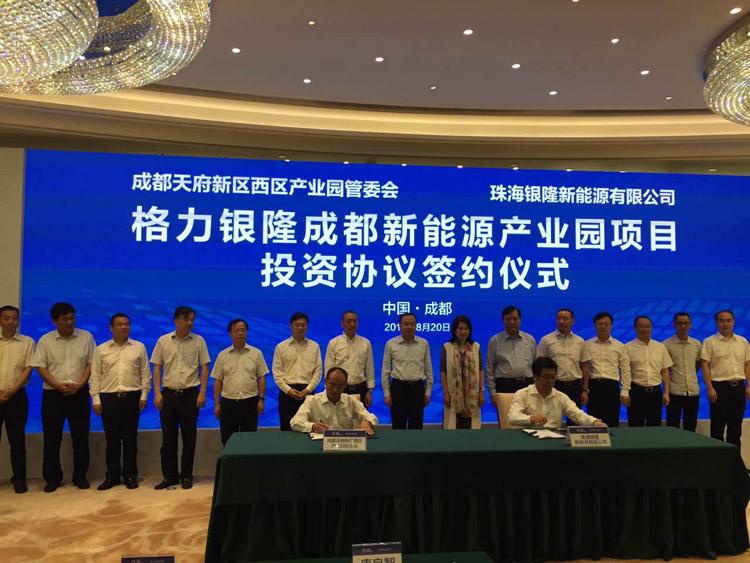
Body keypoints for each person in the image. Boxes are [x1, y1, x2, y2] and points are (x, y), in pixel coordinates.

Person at [32, 302, 95, 492]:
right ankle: (52, 478)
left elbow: (91, 363)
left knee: (81, 437)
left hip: (79, 393)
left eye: (72, 318)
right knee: (52, 438)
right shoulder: (45, 340)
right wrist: (58, 385)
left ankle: (80, 476)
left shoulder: (86, 337)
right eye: (65, 319)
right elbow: (40, 367)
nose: (69, 322)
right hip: (53, 395)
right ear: (55, 321)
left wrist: (81, 383)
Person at [150, 306, 210, 490]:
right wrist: (157, 392)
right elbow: (157, 367)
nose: (190, 323)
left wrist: (202, 392)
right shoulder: (163, 341)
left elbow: (205, 367)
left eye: (192, 319)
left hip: (190, 395)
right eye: (186, 319)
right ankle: (170, 477)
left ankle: (186, 476)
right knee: (168, 439)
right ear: (176, 321)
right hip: (168, 395)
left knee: (189, 439)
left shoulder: (199, 341)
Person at [90, 313, 151, 490]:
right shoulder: (101, 349)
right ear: (111, 327)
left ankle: (130, 476)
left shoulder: (139, 347)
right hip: (108, 398)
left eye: (126, 324)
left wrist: (144, 395)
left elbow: (145, 373)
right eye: (119, 324)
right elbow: (95, 376)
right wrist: (95, 399)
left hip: (132, 398)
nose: (124, 327)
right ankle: (112, 476)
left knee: (131, 440)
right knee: (112, 440)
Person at [212, 318, 268, 444]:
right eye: (236, 331)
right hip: (228, 404)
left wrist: (261, 399)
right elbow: (218, 381)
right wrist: (216, 404)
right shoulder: (222, 355)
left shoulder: (256, 353)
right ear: (230, 333)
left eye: (243, 330)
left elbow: (262, 377)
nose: (240, 333)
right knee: (227, 440)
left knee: (249, 441)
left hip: (250, 403)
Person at [509, 356, 606, 428]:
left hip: (554, 439)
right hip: (529, 439)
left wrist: (594, 422)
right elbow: (512, 417)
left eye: (553, 377)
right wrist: (530, 419)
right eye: (546, 377)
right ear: (535, 377)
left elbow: (578, 415)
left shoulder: (561, 397)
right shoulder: (522, 394)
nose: (550, 381)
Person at [700, 310, 750, 449]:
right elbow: (705, 365)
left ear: (733, 322)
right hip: (719, 388)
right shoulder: (709, 342)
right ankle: (718, 460)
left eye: (728, 320)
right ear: (716, 323)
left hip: (738, 388)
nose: (725, 324)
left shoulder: (742, 341)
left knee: (736, 428)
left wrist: (748, 386)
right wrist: (709, 388)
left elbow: (747, 364)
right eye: (721, 321)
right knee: (717, 427)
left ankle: (734, 460)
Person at [0, 305, 35, 493]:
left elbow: (28, 369)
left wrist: (11, 391)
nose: (11, 322)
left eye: (14, 318)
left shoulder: (27, 342)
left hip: (17, 397)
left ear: (19, 320)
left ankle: (19, 479)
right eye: (6, 318)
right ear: (0, 320)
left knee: (17, 441)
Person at [382, 312, 433, 429]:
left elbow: (428, 370)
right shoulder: (391, 343)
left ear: (416, 325)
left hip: (417, 389)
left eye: (412, 324)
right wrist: (386, 394)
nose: (409, 327)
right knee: (398, 425)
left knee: (416, 426)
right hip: (398, 388)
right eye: (406, 324)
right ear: (400, 325)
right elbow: (385, 371)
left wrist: (428, 392)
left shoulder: (423, 343)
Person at [273, 312, 322, 431]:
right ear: (291, 326)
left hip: (308, 392)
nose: (300, 328)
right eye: (297, 325)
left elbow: (318, 371)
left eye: (303, 325)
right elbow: (277, 373)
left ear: (307, 326)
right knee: (286, 428)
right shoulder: (281, 347)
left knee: (309, 428)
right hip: (287, 393)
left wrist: (308, 390)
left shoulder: (314, 346)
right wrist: (288, 390)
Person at [291, 367, 378, 434]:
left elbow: (372, 417)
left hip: (346, 445)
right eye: (331, 385)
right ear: (325, 382)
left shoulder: (351, 401)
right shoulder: (312, 401)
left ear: (345, 385)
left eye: (340, 386)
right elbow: (295, 422)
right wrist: (313, 426)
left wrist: (367, 422)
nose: (335, 390)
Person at [537, 309, 591, 414]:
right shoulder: (546, 340)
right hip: (553, 386)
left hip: (575, 387)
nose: (561, 321)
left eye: (565, 319)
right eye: (559, 319)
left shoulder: (580, 341)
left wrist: (585, 390)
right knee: (551, 418)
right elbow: (539, 366)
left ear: (572, 321)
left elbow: (584, 367)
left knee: (575, 419)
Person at [624, 316, 672, 427]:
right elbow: (625, 372)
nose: (645, 329)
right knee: (635, 426)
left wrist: (666, 393)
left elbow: (664, 371)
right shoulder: (627, 347)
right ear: (635, 328)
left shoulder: (660, 347)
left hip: (655, 392)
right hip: (636, 391)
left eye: (648, 326)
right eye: (641, 326)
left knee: (655, 427)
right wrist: (625, 392)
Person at [485, 306, 536, 409]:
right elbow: (489, 369)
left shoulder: (530, 340)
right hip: (505, 386)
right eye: (508, 319)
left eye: (515, 319)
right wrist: (493, 394)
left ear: (520, 319)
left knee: (529, 417)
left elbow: (536, 366)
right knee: (506, 418)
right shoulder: (495, 341)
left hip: (527, 386)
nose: (512, 322)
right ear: (503, 320)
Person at [585, 312, 630, 427]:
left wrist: (625, 391)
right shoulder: (586, 345)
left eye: (606, 324)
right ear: (595, 325)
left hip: (611, 387)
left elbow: (625, 370)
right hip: (593, 387)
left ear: (611, 325)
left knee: (612, 421)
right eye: (600, 324)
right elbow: (583, 368)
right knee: (593, 421)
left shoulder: (620, 346)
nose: (603, 327)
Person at [441, 315, 484, 429]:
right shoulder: (447, 347)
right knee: (453, 427)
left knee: (471, 428)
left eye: (466, 328)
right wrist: (445, 393)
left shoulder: (476, 347)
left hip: (472, 396)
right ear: (454, 330)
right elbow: (443, 371)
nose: (463, 331)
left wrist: (482, 391)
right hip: (453, 396)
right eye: (460, 328)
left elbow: (480, 370)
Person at [324, 311, 375, 406]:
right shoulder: (334, 343)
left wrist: (370, 391)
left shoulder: (365, 343)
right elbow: (329, 369)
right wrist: (328, 390)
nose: (352, 324)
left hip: (360, 389)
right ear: (342, 324)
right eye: (348, 321)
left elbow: (370, 369)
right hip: (339, 389)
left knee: (360, 415)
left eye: (354, 321)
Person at [663, 312, 702, 432]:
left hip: (693, 391)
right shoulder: (666, 345)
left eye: (686, 323)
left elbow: (697, 364)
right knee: (672, 427)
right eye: (680, 323)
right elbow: (665, 369)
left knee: (691, 427)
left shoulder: (696, 344)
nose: (683, 326)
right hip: (674, 391)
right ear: (674, 324)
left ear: (690, 324)